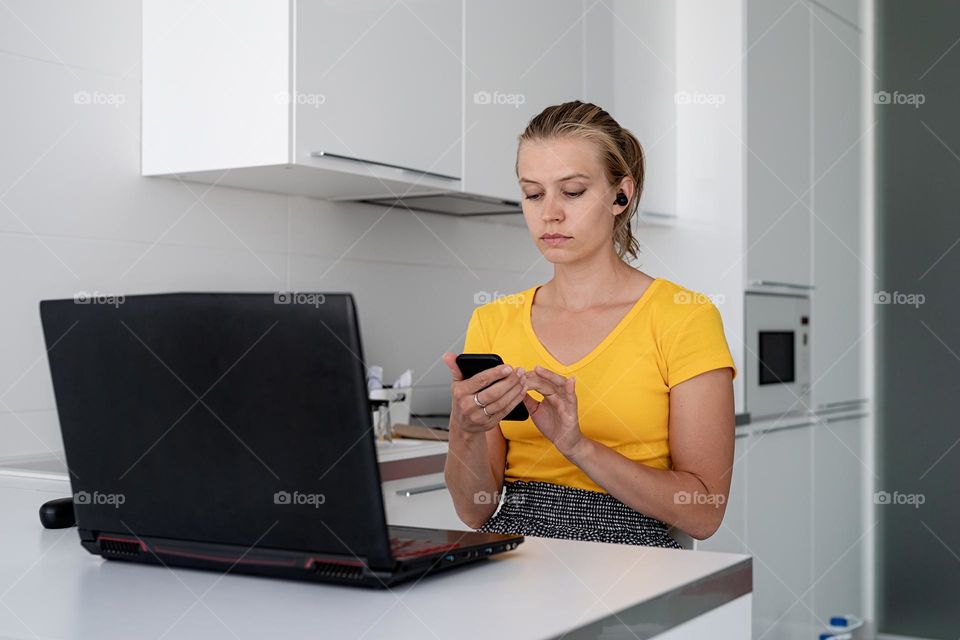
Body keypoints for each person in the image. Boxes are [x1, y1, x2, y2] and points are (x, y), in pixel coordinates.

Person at [442, 101, 737, 547]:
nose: (550, 214)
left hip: (635, 559)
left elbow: (704, 514)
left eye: (573, 191)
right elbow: (475, 510)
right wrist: (464, 431)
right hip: (513, 559)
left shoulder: (684, 316)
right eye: (533, 193)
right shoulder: (492, 320)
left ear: (622, 195)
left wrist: (578, 446)